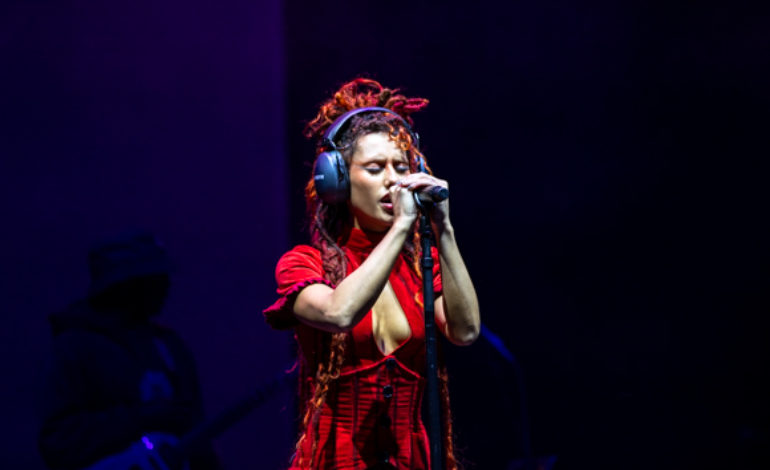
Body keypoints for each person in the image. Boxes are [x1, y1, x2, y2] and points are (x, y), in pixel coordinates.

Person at [264, 78, 480, 469]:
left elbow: (465, 332)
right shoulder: (304, 263)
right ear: (337, 180)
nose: (393, 180)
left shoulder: (420, 267)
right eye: (375, 168)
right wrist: (402, 227)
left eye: (402, 167)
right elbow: (339, 313)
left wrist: (444, 229)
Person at [38, 230, 218, 470]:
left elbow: (197, 437)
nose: (167, 286)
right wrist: (143, 417)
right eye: (155, 278)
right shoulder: (74, 347)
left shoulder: (170, 346)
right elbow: (59, 441)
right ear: (125, 286)